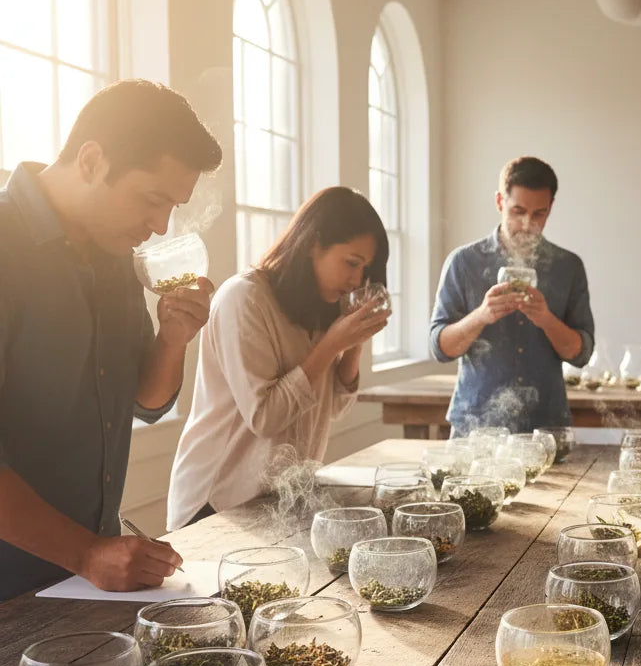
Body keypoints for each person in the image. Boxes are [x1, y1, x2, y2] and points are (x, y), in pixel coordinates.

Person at [0, 79, 221, 600]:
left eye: (173, 207)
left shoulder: (113, 251)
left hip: (79, 588)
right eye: (153, 200)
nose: (161, 226)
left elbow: (145, 402)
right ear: (92, 160)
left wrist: (174, 338)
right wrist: (86, 553)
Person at [168, 187, 391, 529]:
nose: (357, 280)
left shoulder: (321, 306)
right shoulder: (244, 298)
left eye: (365, 269)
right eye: (351, 263)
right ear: (314, 242)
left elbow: (333, 408)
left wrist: (354, 342)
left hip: (277, 500)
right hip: (216, 503)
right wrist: (332, 344)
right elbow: (265, 418)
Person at [429, 156, 594, 434]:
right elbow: (440, 348)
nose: (528, 224)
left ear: (551, 208)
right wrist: (481, 316)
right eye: (518, 211)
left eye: (539, 214)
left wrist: (546, 319)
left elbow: (581, 354)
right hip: (476, 425)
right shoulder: (464, 262)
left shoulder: (568, 267)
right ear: (499, 202)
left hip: (546, 426)